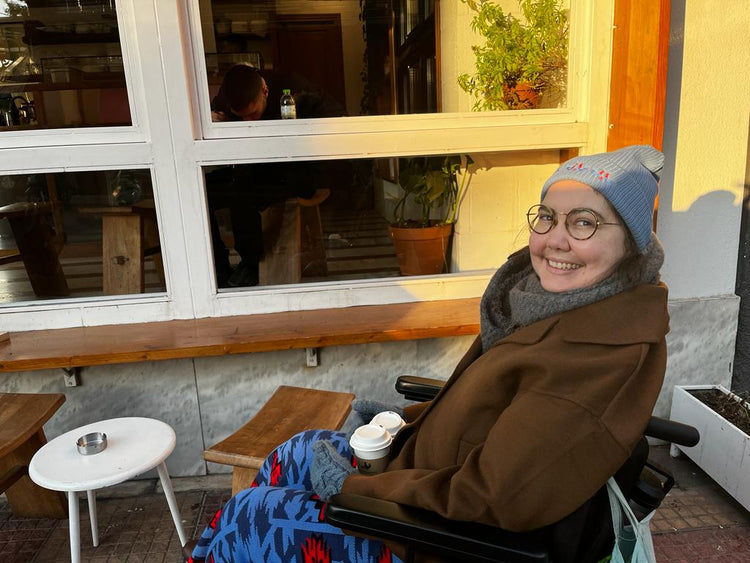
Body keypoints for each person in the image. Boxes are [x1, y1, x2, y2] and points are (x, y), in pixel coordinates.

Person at [189, 145, 668, 562]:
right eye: (547, 216)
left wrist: (352, 489)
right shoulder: (553, 306)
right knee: (295, 451)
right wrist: (406, 420)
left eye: (585, 222)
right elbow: (489, 410)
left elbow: (496, 497)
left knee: (251, 516)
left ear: (630, 244)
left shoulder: (595, 357)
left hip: (439, 540)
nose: (555, 239)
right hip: (426, 473)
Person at [205, 64, 345, 287]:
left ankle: (251, 263)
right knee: (201, 191)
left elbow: (337, 119)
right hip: (255, 165)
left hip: (299, 169)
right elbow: (215, 118)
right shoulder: (228, 97)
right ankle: (217, 269)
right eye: (242, 117)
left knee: (242, 191)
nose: (249, 122)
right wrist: (212, 119)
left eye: (253, 114)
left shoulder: (296, 89)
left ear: (265, 91)